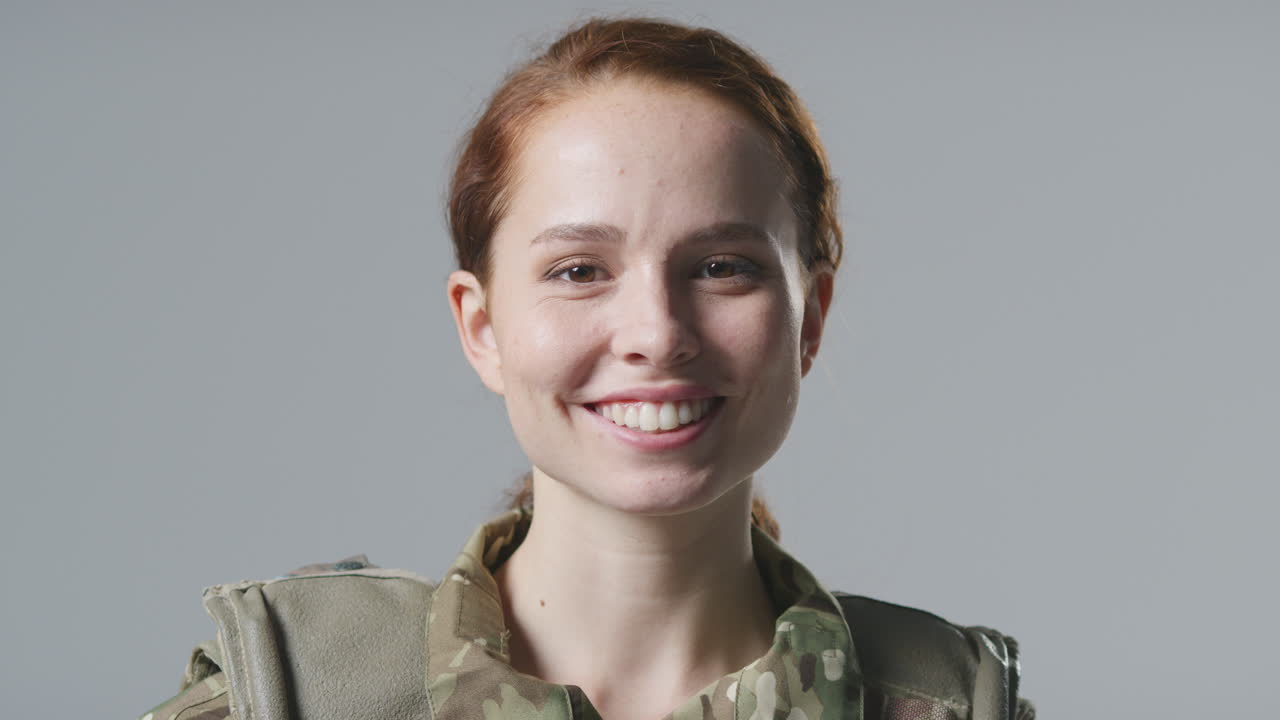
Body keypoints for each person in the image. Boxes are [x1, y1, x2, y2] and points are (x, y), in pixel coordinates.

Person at [140, 17, 1034, 720]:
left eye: (723, 266)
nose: (655, 333)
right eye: (579, 271)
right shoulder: (293, 700)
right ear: (482, 326)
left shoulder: (947, 704)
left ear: (812, 319)